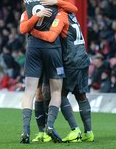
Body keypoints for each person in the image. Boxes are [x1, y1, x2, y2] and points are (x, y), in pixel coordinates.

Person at [19, 0, 77, 144]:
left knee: (30, 91)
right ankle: (50, 126)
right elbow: (74, 8)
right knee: (56, 91)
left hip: (33, 48)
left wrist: (36, 20)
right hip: (53, 49)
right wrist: (56, 2)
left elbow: (23, 28)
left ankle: (26, 131)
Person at [27, 9, 94, 143]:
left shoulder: (60, 15)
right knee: (81, 95)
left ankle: (75, 130)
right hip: (82, 59)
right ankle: (89, 132)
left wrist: (33, 31)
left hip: (71, 61)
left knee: (59, 94)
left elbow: (52, 37)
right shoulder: (72, 15)